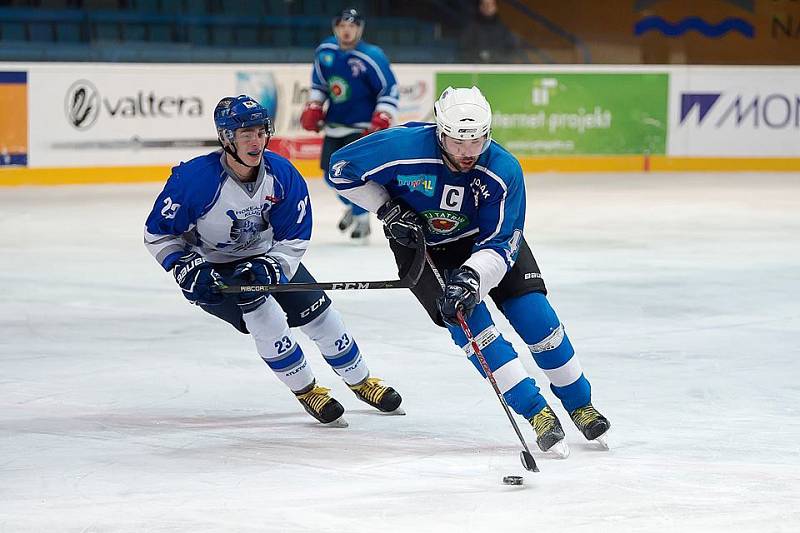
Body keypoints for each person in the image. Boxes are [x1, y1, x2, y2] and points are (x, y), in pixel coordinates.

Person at [327, 87, 610, 456]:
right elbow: (340, 169)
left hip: (487, 247)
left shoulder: (503, 169)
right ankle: (536, 412)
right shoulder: (402, 146)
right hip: (425, 250)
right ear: (439, 132)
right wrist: (386, 208)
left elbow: (502, 241)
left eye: (476, 140)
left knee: (538, 319)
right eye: (458, 141)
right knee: (475, 330)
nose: (467, 152)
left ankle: (580, 404)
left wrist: (472, 278)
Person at [144, 94, 402, 426]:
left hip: (268, 258)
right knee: (264, 317)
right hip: (216, 267)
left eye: (260, 131)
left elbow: (294, 236)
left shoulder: (281, 174)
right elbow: (158, 234)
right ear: (226, 138)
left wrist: (274, 265)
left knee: (320, 314)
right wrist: (183, 267)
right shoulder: (194, 181)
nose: (256, 140)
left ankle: (362, 380)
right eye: (245, 133)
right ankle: (307, 389)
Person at [300, 7, 398, 242]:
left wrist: (382, 115)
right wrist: (315, 105)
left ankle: (362, 220)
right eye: (343, 26)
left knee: (352, 175)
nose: (347, 31)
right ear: (336, 28)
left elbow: (389, 89)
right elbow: (320, 85)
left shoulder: (372, 56)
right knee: (328, 175)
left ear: (360, 29)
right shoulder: (325, 51)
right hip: (335, 123)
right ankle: (354, 207)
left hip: (361, 128)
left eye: (352, 26)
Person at [459, 0, 523, 64]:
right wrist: (480, 59)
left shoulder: (506, 28)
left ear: (496, 7)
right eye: (484, 4)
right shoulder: (471, 29)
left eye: (491, 4)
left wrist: (494, 57)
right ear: (480, 7)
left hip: (500, 69)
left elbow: (513, 52)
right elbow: (463, 53)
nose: (488, 7)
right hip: (478, 69)